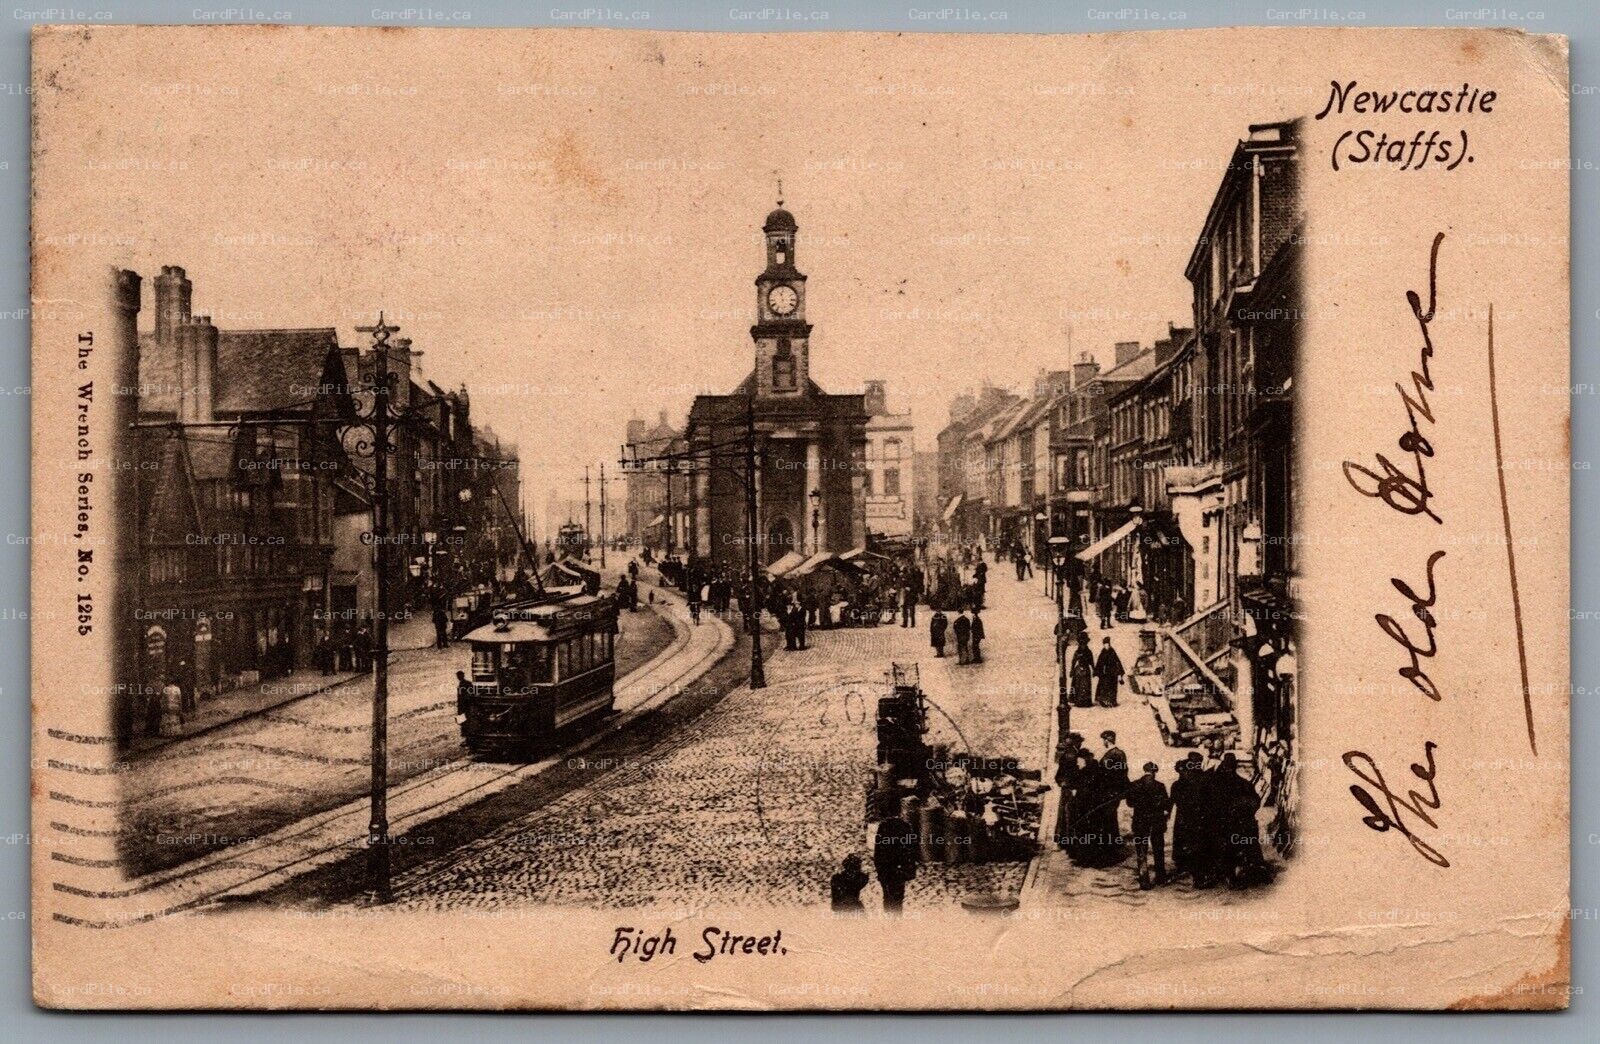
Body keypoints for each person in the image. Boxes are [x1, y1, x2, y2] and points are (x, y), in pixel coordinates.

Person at [1212, 753, 1267, 887]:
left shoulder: (1215, 782)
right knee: (1240, 847)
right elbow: (1255, 801)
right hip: (1238, 823)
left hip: (1225, 823)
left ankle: (1228, 875)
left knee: (1227, 849)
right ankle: (1238, 874)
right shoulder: (1242, 783)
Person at [1125, 762, 1171, 888]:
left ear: (1144, 771)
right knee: (1158, 849)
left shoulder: (1134, 785)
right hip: (1156, 822)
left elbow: (1129, 803)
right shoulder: (1160, 786)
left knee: (1141, 850)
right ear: (1154, 772)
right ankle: (1160, 877)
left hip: (1140, 822)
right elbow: (1166, 804)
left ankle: (1144, 878)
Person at [1169, 754, 1207, 883]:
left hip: (1183, 816)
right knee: (1196, 840)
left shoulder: (1180, 782)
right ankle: (1196, 870)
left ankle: (1182, 864)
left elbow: (1172, 801)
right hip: (1198, 816)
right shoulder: (1202, 778)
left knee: (1182, 838)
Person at [873, 813, 918, 914]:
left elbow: (878, 850)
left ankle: (889, 919)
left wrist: (879, 868)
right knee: (898, 898)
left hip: (886, 869)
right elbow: (911, 850)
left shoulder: (883, 826)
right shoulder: (906, 827)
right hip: (899, 870)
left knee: (887, 896)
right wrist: (909, 870)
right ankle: (896, 921)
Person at [1094, 636, 1125, 707]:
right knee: (1103, 687)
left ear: (1109, 644)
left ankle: (1112, 701)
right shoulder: (1102, 652)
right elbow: (1099, 662)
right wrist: (1097, 672)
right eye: (1105, 644)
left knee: (1112, 688)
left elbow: (1117, 662)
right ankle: (1103, 701)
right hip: (1104, 674)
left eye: (1107, 644)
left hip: (1112, 673)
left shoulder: (1112, 652)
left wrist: (1119, 674)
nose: (1106, 646)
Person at [1069, 633, 1095, 708]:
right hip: (1079, 669)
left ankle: (1086, 702)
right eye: (1081, 643)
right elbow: (1073, 661)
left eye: (1084, 643)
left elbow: (1091, 662)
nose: (1083, 645)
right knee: (1078, 685)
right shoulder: (1077, 652)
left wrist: (1094, 670)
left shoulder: (1089, 652)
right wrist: (1071, 670)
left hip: (1086, 669)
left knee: (1085, 686)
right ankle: (1078, 701)